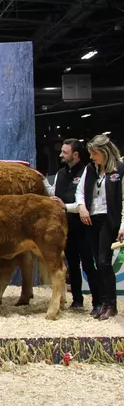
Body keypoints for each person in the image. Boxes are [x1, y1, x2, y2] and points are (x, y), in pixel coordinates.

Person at [74, 134, 124, 321]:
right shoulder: (90, 169)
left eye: (95, 154)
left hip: (108, 220)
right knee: (97, 262)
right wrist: (82, 208)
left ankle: (111, 304)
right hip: (90, 219)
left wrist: (123, 225)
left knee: (103, 262)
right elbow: (80, 191)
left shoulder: (119, 169)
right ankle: (102, 302)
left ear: (104, 152)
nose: (92, 157)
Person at [47, 139, 99, 309]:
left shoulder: (88, 172)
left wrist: (65, 206)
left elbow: (87, 202)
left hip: (85, 227)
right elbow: (53, 193)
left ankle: (98, 301)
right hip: (66, 228)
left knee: (89, 265)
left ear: (75, 154)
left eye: (65, 152)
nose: (61, 155)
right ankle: (77, 300)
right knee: (72, 265)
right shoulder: (61, 173)